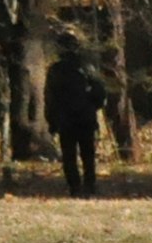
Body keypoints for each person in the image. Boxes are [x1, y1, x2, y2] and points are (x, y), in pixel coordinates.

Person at [43, 40, 113, 198]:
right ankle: (90, 185)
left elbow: (50, 98)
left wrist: (52, 121)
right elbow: (100, 93)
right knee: (88, 154)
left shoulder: (55, 70)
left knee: (69, 155)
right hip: (85, 118)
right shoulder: (87, 69)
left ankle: (74, 187)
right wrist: (92, 106)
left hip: (65, 119)